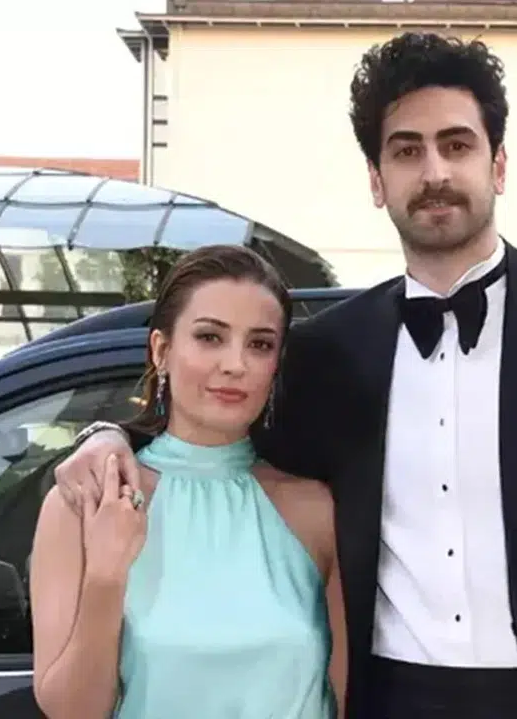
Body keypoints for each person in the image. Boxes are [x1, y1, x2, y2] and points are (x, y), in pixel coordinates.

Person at [55, 31, 517, 719]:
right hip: (390, 701)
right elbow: (220, 444)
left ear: (498, 165)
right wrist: (108, 435)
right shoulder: (328, 351)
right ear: (378, 182)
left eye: (457, 145)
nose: (434, 171)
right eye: (407, 150)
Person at [30, 245, 347, 719]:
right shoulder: (85, 501)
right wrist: (106, 578)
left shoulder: (315, 510)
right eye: (210, 337)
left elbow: (348, 696)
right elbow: (72, 712)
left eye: (259, 344)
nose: (235, 364)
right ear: (161, 350)